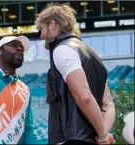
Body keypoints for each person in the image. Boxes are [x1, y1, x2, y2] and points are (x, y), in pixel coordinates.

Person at [35, 3, 116, 145]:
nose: (41, 35)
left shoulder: (63, 50)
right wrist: (102, 134)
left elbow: (84, 96)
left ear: (53, 24)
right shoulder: (93, 55)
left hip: (70, 140)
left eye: (42, 28)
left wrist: (103, 134)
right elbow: (108, 104)